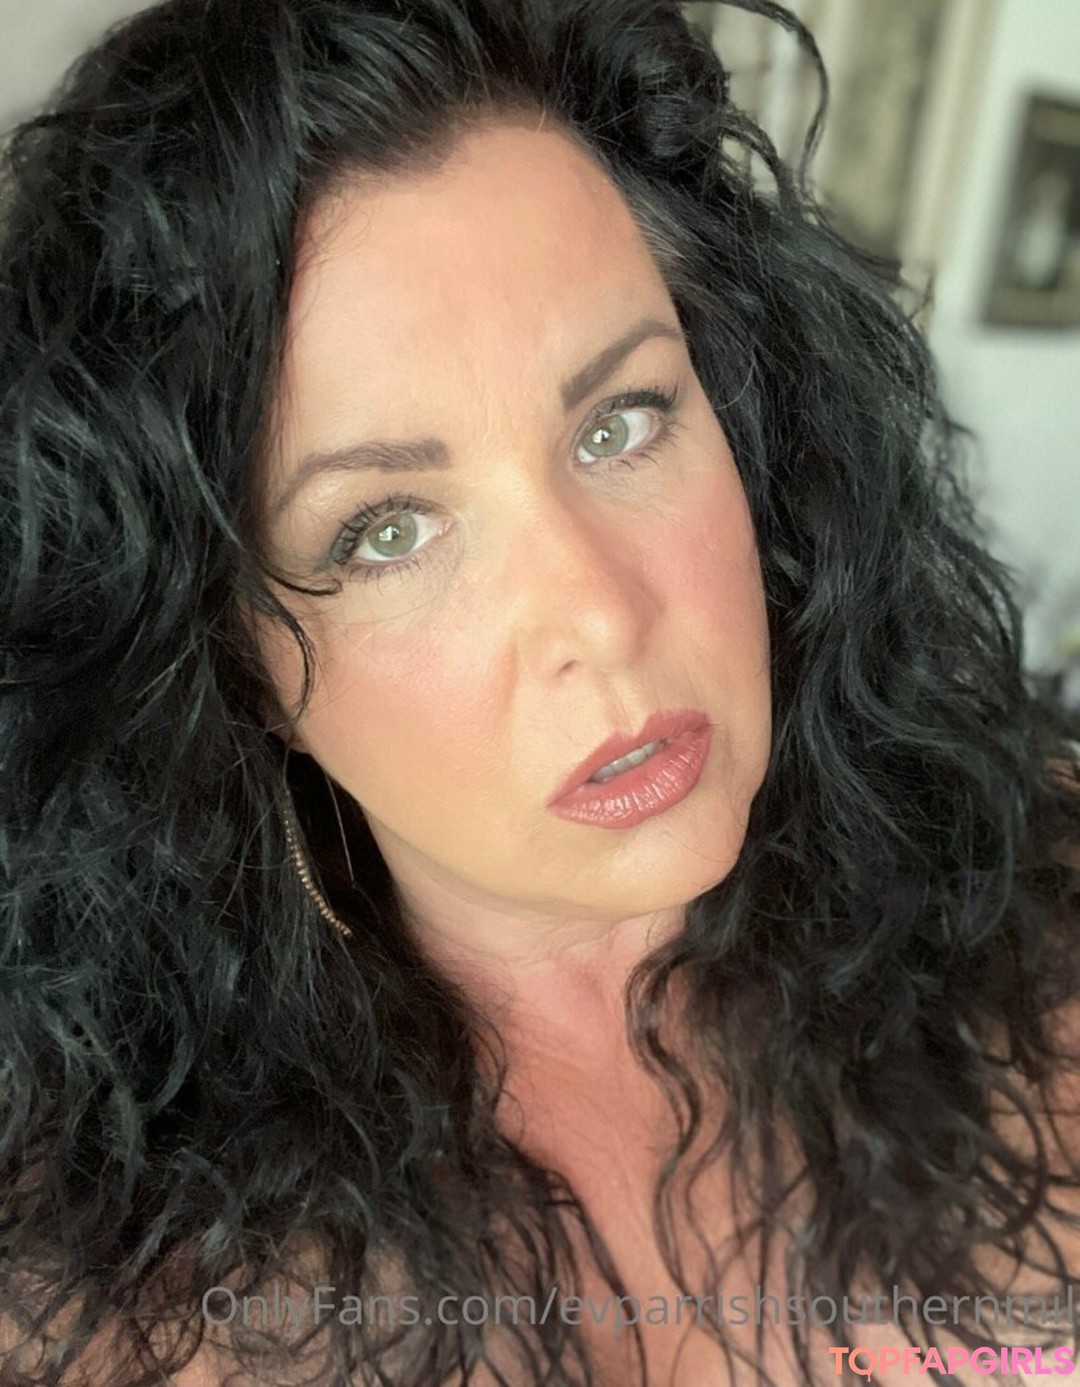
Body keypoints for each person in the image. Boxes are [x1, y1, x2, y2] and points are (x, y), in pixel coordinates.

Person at [2, 1, 1079, 1383]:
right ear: (228, 658)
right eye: (388, 530)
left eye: (621, 422)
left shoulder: (1037, 929)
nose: (600, 613)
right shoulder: (106, 1312)